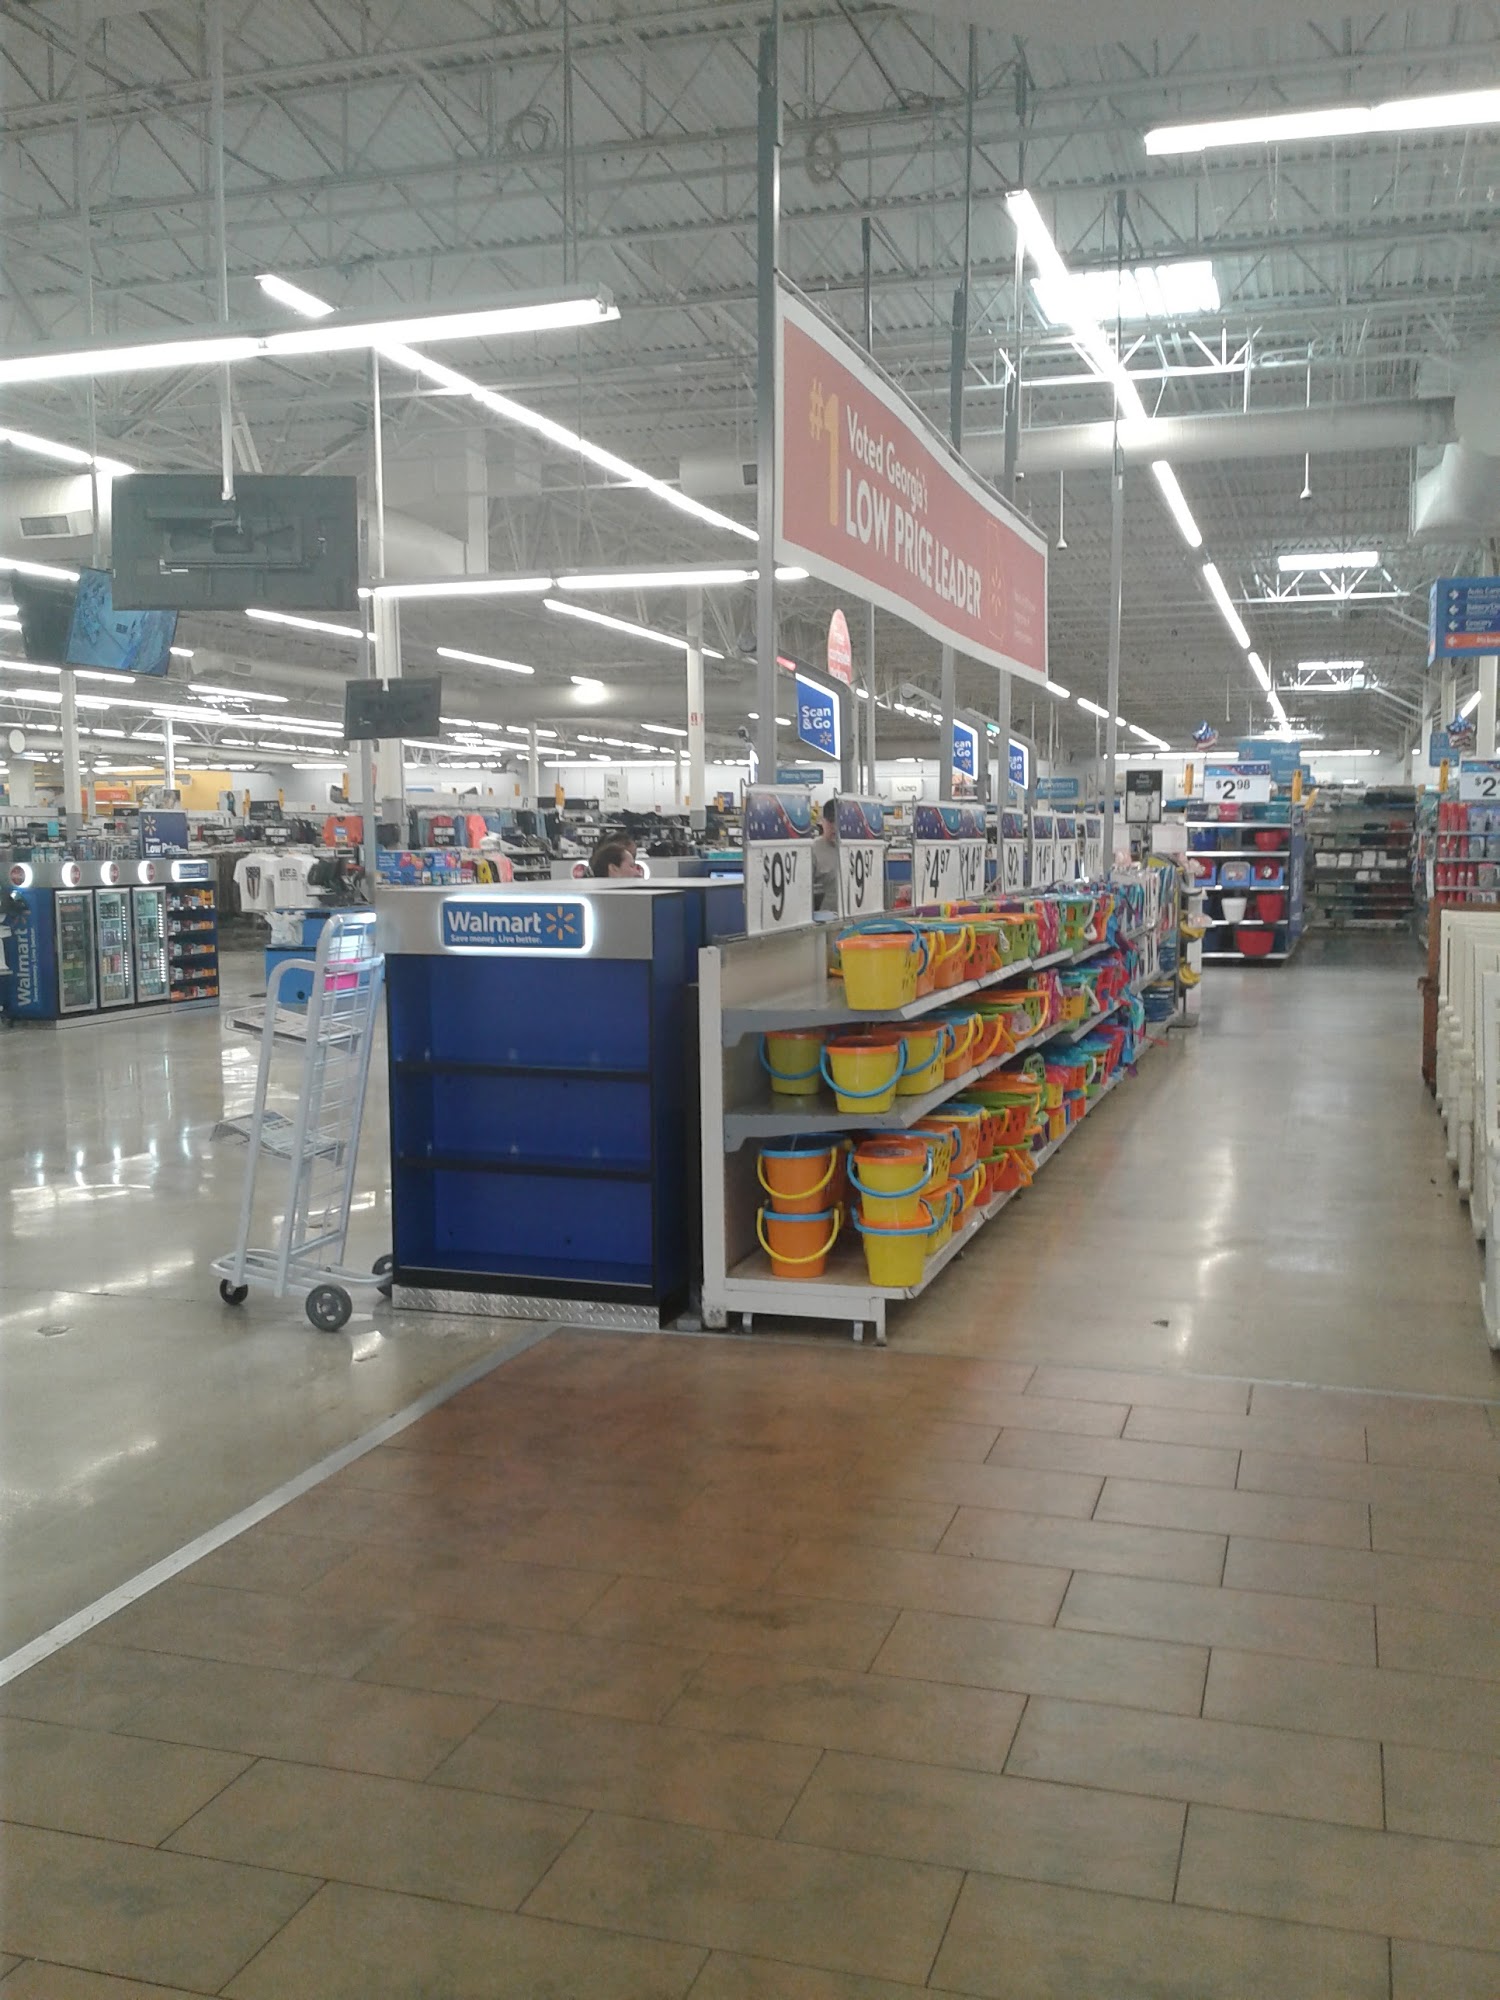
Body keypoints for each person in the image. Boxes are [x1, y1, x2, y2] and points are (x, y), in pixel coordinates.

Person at [811, 798, 838, 912]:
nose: (835, 827)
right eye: (831, 821)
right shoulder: (812, 850)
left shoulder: (852, 848)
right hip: (824, 919)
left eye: (839, 822)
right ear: (823, 821)